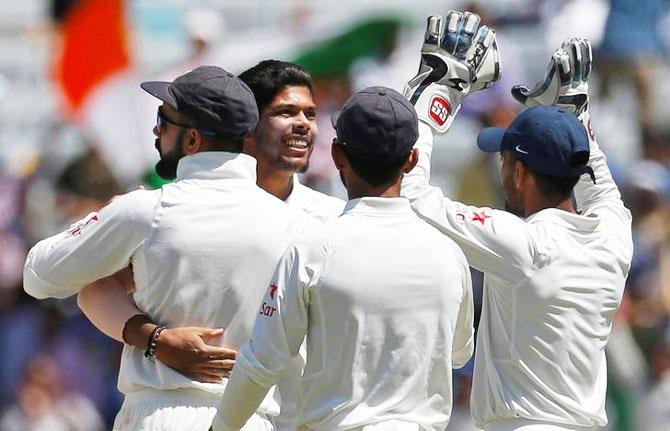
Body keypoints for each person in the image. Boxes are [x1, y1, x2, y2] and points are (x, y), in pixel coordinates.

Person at [23, 65, 315, 431]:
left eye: (164, 119)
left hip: (159, 414)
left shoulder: (146, 210)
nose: (156, 129)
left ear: (192, 140)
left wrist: (106, 218)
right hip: (251, 420)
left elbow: (38, 275)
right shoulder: (297, 226)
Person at [402, 11, 633, 431]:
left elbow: (411, 197)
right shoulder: (614, 238)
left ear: (521, 173)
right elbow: (601, 189)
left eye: (504, 160)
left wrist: (434, 94)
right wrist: (576, 118)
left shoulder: (524, 245)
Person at [210, 86, 475, 431]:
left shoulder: (312, 249)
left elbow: (262, 361)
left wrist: (221, 427)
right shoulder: (450, 254)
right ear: (411, 160)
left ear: (337, 155)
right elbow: (459, 353)